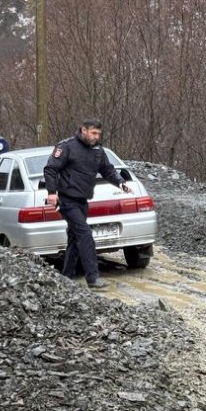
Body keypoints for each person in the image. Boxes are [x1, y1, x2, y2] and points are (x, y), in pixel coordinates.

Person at [44, 118, 132, 290]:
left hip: (82, 201)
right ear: (83, 130)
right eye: (93, 133)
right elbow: (50, 169)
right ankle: (93, 278)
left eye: (98, 134)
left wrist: (121, 183)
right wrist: (52, 193)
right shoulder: (66, 147)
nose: (96, 137)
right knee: (85, 235)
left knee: (75, 238)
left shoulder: (98, 151)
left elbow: (107, 169)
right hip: (66, 200)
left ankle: (66, 278)